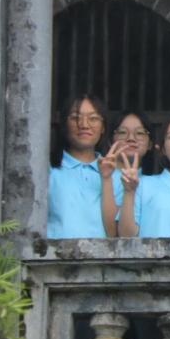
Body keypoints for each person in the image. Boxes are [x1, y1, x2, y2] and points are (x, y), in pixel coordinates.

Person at [47, 94, 109, 238]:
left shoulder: (114, 175)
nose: (84, 125)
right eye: (75, 118)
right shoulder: (48, 170)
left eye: (93, 118)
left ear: (103, 127)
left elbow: (116, 231)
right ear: (64, 124)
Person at [99, 111, 157, 237]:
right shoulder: (97, 173)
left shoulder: (154, 184)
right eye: (122, 132)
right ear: (110, 141)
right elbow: (112, 233)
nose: (131, 138)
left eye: (140, 133)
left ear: (150, 144)